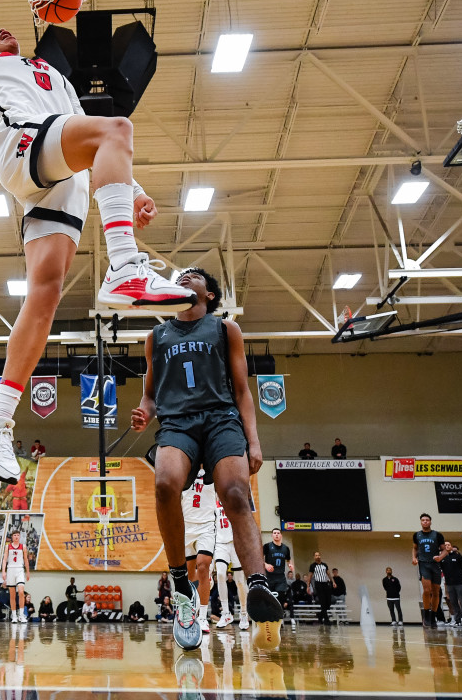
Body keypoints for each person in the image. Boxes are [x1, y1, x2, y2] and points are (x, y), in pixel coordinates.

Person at [0, 20, 195, 486]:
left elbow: (94, 139)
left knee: (43, 299)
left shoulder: (55, 74)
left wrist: (135, 193)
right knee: (119, 127)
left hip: (61, 178)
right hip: (26, 144)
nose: (5, 30)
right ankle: (126, 268)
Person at [130, 266, 281, 652]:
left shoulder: (225, 329)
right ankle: (180, 582)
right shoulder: (156, 336)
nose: (183, 276)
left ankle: (258, 584)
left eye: (193, 275)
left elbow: (244, 391)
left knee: (234, 491)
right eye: (179, 275)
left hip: (220, 418)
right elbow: (150, 394)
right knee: (164, 483)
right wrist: (144, 411)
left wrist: (254, 440)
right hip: (178, 423)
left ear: (210, 294)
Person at [179, 469, 216, 635]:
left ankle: (202, 616)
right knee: (188, 576)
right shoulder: (185, 472)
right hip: (187, 525)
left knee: (203, 566)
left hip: (206, 525)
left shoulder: (212, 472)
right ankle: (194, 598)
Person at [213, 498, 248, 630]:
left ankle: (244, 613)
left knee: (239, 581)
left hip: (236, 543)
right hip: (220, 543)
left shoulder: (234, 500)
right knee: (221, 575)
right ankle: (226, 613)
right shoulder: (213, 503)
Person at [412, 513, 444, 628]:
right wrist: (414, 558)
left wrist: (440, 557)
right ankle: (426, 615)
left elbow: (444, 550)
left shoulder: (438, 535)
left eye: (427, 520)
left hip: (435, 565)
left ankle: (433, 616)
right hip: (424, 564)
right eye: (423, 520)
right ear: (420, 522)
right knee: (427, 590)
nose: (425, 522)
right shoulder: (417, 535)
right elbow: (415, 548)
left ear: (430, 522)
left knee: (436, 592)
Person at [439, 542, 462, 627]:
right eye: (445, 545)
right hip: (449, 584)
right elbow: (442, 569)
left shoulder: (457, 556)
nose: (447, 546)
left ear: (451, 547)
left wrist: (458, 575)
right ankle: (457, 620)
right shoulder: (442, 558)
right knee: (453, 602)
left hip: (459, 583)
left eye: (448, 545)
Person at [1, 529, 31, 623]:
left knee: (21, 592)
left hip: (20, 570)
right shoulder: (8, 547)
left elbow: (26, 560)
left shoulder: (23, 547)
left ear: (20, 536)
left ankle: (21, 615)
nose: (16, 537)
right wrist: (3, 572)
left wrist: (28, 572)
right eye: (15, 535)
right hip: (10, 570)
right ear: (12, 537)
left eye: (18, 535)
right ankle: (14, 616)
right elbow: (5, 560)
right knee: (12, 595)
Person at [263, 528, 293, 616]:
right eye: (274, 533)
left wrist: (290, 565)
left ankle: (278, 616)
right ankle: (269, 616)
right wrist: (266, 565)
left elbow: (288, 560)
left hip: (280, 577)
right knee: (269, 598)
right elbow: (261, 559)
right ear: (272, 535)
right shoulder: (267, 546)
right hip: (269, 577)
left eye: (278, 533)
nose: (276, 534)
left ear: (281, 535)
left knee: (280, 596)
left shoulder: (286, 548)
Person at [308, 552, 333, 624]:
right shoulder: (312, 566)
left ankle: (320, 615)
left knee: (328, 602)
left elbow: (328, 574)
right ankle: (326, 619)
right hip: (318, 584)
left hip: (325, 583)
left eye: (318, 555)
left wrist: (333, 582)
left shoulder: (324, 565)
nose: (317, 557)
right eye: (316, 555)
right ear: (314, 557)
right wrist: (308, 586)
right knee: (322, 602)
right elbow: (310, 576)